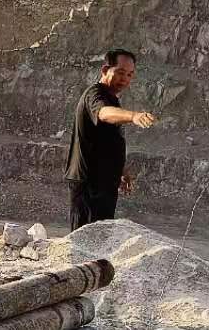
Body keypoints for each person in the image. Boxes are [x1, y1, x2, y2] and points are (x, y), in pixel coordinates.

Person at [64, 49, 156, 229]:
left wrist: (120, 170)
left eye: (129, 75)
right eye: (120, 73)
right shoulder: (95, 94)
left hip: (104, 183)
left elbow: (108, 141)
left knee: (100, 240)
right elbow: (103, 113)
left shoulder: (112, 99)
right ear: (105, 70)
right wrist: (133, 116)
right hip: (89, 183)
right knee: (84, 242)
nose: (125, 79)